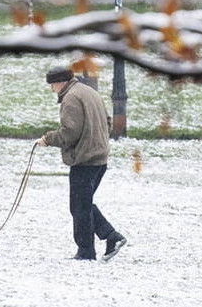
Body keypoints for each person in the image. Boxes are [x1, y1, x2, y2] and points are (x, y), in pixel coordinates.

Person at [37, 66, 127, 261]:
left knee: (79, 206)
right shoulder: (89, 92)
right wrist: (98, 141)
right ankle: (106, 239)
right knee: (82, 204)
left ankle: (91, 249)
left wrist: (48, 139)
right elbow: (108, 122)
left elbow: (70, 132)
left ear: (59, 83)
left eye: (52, 85)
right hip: (99, 158)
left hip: (85, 160)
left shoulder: (71, 98)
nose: (52, 89)